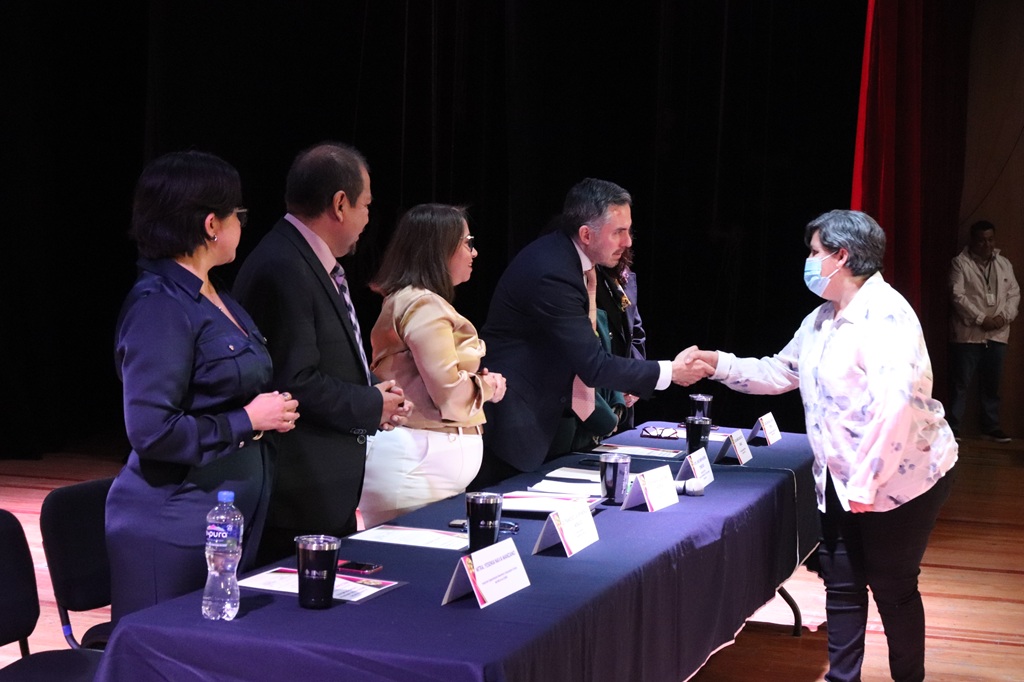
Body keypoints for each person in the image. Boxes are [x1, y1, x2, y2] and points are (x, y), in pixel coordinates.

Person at [686, 210, 958, 682]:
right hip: (841, 475)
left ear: (841, 256)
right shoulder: (821, 319)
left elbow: (896, 410)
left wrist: (867, 484)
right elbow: (781, 372)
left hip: (900, 477)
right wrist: (718, 364)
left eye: (815, 253)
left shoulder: (887, 317)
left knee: (892, 585)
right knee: (843, 581)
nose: (809, 262)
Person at [107, 151, 300, 621]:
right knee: (166, 657)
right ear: (212, 224)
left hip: (222, 520)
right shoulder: (160, 307)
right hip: (173, 523)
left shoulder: (214, 293)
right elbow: (151, 431)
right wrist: (250, 420)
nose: (242, 224)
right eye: (239, 214)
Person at [233, 142, 413, 563]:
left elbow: (326, 359)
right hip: (296, 496)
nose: (369, 218)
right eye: (366, 205)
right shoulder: (283, 266)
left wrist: (374, 393)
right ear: (340, 204)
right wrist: (370, 404)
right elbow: (293, 381)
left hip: (321, 491)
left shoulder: (309, 261)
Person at [473, 177, 711, 487]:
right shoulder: (553, 271)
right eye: (618, 233)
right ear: (586, 234)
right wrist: (670, 372)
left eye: (628, 230)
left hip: (544, 419)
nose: (627, 242)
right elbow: (593, 364)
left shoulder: (570, 260)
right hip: (517, 424)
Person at [358, 204, 507, 527]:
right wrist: (489, 387)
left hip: (419, 464)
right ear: (439, 249)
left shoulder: (417, 300)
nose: (474, 252)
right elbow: (448, 390)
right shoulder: (422, 303)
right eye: (467, 242)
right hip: (412, 464)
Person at [948, 219, 1019, 442]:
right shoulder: (960, 263)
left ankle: (991, 427)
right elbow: (956, 295)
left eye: (990, 240)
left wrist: (1001, 318)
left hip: (997, 333)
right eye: (981, 240)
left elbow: (1014, 294)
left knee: (992, 385)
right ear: (973, 241)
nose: (986, 245)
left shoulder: (1004, 263)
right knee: (961, 383)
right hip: (969, 334)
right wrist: (981, 318)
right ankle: (953, 428)